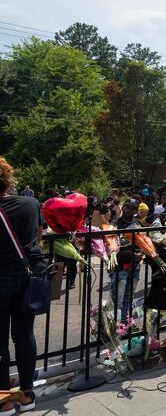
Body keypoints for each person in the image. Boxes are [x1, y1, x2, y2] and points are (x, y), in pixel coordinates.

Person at [0, 158, 43, 415]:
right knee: (24, 335)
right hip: (27, 277)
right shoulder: (30, 203)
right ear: (8, 179)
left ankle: (4, 401)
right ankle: (27, 395)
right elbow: (38, 237)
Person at [110, 200, 143, 320]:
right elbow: (111, 245)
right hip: (120, 266)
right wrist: (131, 254)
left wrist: (141, 254)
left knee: (129, 298)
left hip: (135, 266)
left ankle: (125, 323)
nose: (130, 210)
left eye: (134, 208)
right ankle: (116, 324)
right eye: (128, 207)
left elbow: (145, 241)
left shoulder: (138, 222)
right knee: (117, 299)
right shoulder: (115, 223)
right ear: (123, 207)